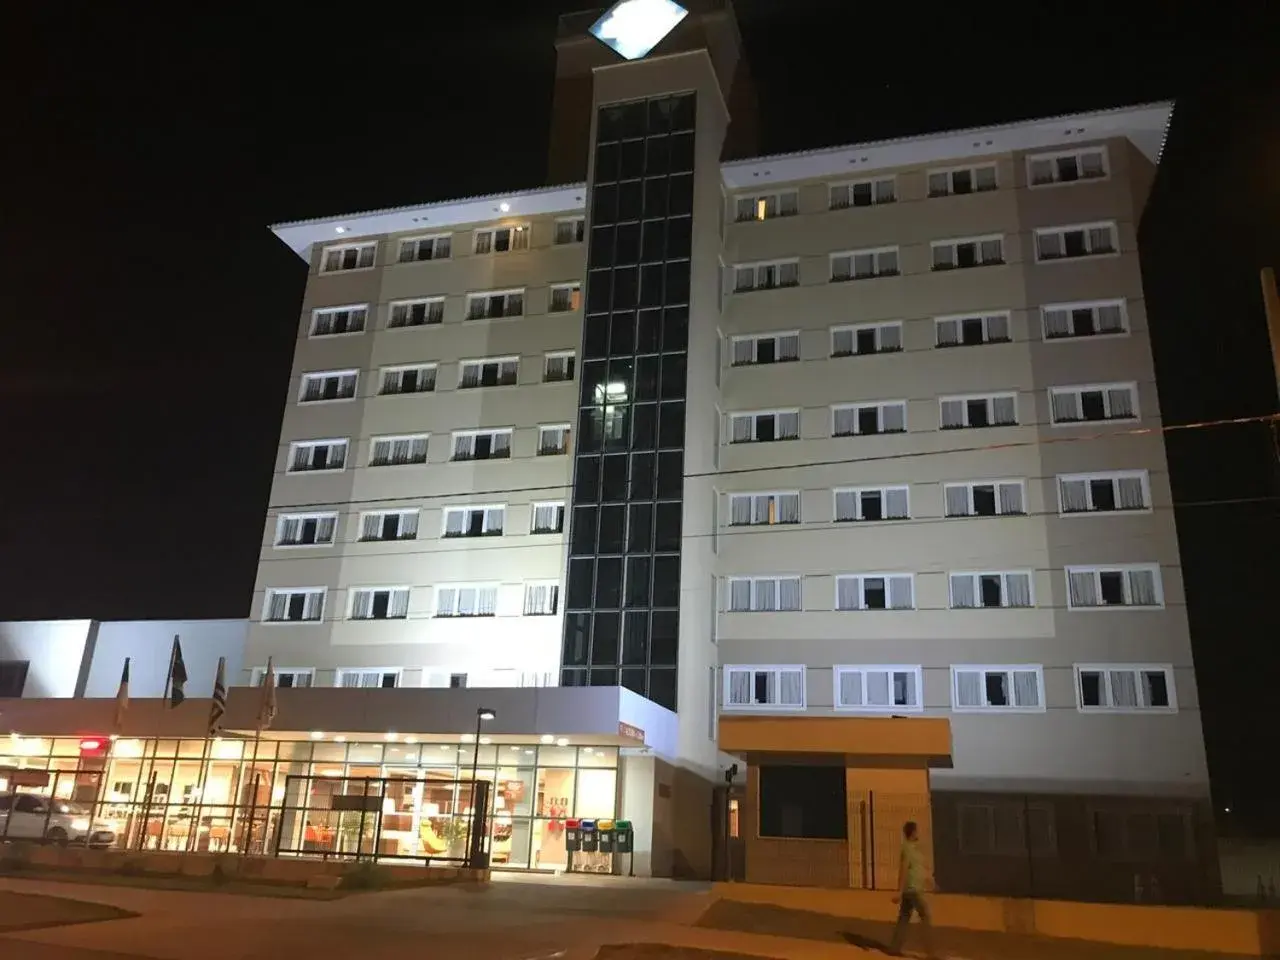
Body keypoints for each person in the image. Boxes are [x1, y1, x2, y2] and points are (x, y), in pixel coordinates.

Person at [890, 820, 936, 958]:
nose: (918, 833)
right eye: (916, 831)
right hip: (912, 889)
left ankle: (894, 947)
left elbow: (919, 869)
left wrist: (929, 881)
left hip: (915, 888)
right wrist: (899, 891)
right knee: (925, 915)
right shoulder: (907, 849)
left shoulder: (915, 849)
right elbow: (904, 869)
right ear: (912, 832)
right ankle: (930, 951)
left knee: (904, 917)